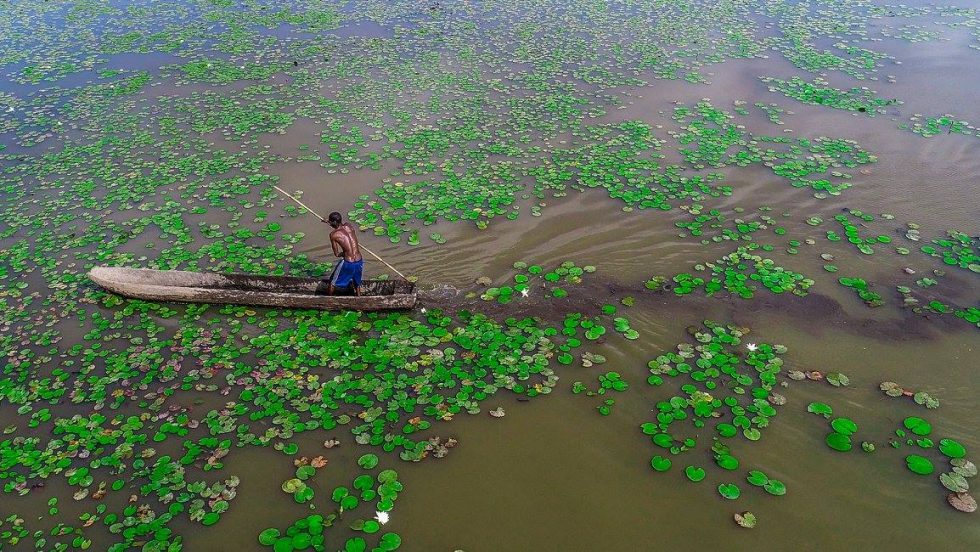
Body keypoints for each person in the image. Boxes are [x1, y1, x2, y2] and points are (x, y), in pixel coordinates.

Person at [323, 212, 363, 295]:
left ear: (334, 222)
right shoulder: (349, 226)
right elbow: (339, 225)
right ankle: (359, 297)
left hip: (349, 262)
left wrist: (344, 253)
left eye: (330, 222)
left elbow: (336, 254)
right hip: (359, 261)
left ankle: (328, 300)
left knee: (332, 282)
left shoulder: (333, 235)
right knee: (357, 282)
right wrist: (327, 221)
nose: (330, 223)